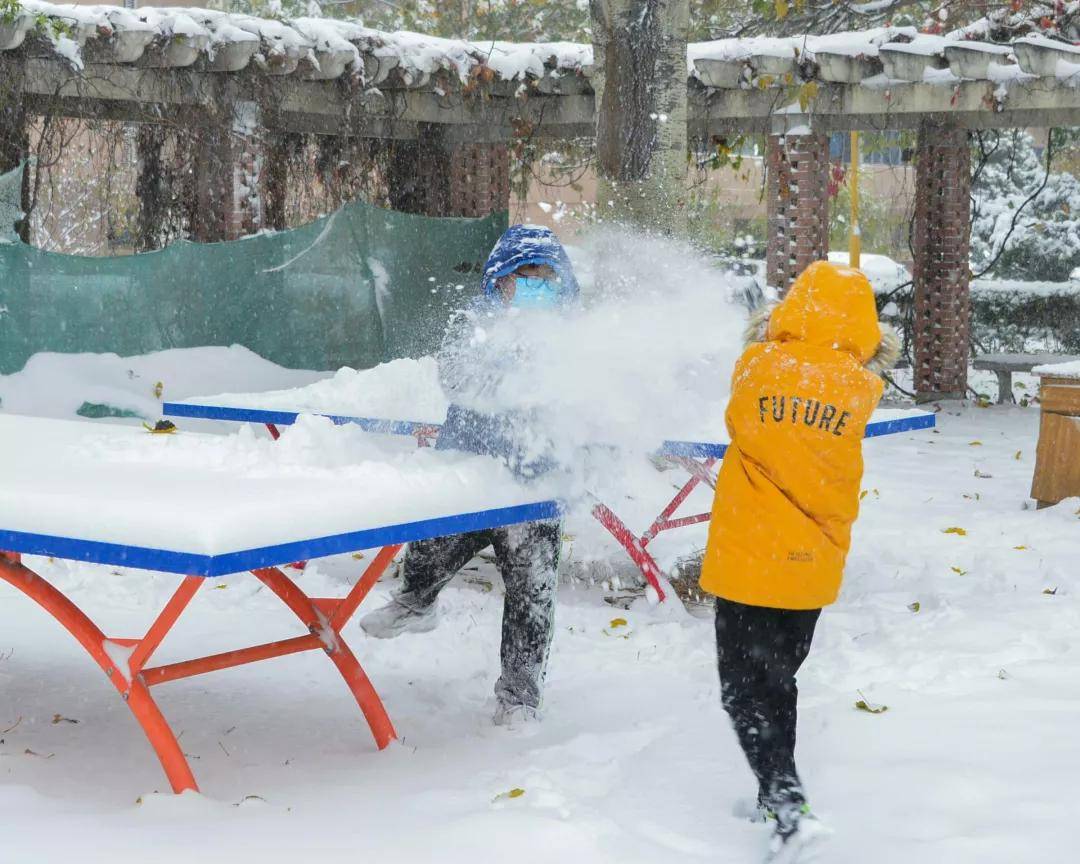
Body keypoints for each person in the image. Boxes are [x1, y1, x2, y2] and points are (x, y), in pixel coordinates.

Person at [699, 261, 899, 862]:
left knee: (741, 689)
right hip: (810, 564)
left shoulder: (759, 365)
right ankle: (774, 794)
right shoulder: (860, 387)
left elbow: (737, 417)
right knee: (777, 679)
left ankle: (786, 800)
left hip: (749, 557)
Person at [360, 225, 579, 726]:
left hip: (536, 486)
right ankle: (417, 601)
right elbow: (458, 378)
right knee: (434, 544)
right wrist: (515, 376)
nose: (536, 284)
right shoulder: (474, 324)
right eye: (525, 274)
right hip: (472, 471)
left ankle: (519, 697)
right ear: (499, 279)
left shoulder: (575, 338)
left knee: (531, 592)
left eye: (547, 276)